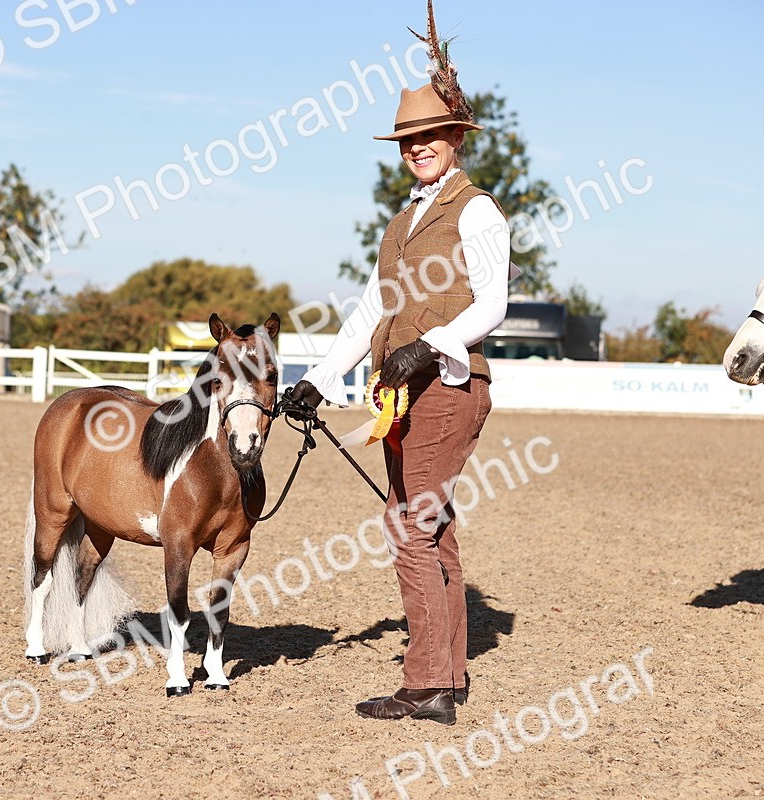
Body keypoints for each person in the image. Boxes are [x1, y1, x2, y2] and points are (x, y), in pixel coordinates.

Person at [284, 12, 512, 725]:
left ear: (454, 140)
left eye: (430, 137)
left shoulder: (476, 211)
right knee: (428, 528)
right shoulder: (399, 224)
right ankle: (442, 678)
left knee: (410, 525)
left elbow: (495, 303)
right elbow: (370, 314)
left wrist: (431, 343)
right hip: (400, 394)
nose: (419, 148)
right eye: (409, 140)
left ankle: (428, 683)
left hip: (447, 387)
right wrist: (319, 377)